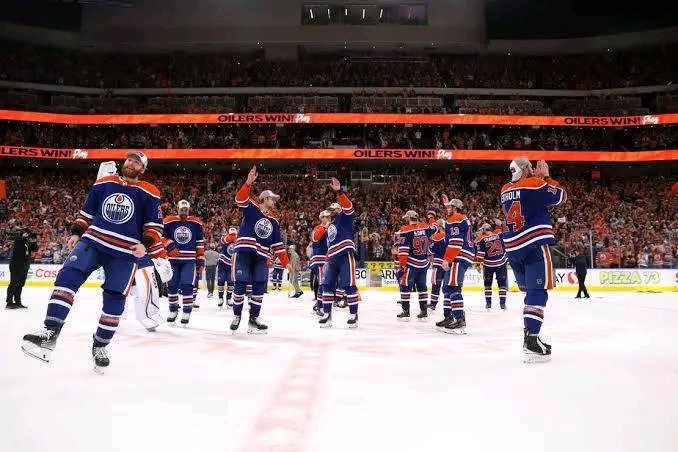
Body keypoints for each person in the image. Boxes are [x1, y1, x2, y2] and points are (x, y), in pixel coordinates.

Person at [21, 151, 163, 373]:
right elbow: (87, 212)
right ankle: (50, 333)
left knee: (115, 301)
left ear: (142, 169)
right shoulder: (104, 182)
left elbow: (155, 225)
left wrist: (145, 244)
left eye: (136, 162)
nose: (131, 163)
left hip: (125, 251)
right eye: (129, 159)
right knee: (67, 277)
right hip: (93, 240)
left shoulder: (150, 191)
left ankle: (100, 346)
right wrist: (76, 232)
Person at [500, 158, 567, 363]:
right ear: (525, 169)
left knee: (530, 293)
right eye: (530, 167)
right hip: (533, 244)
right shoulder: (535, 183)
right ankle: (531, 340)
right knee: (537, 293)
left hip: (513, 248)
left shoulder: (504, 189)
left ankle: (530, 335)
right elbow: (561, 196)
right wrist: (545, 176)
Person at [232, 165, 292, 333]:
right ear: (264, 199)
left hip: (261, 256)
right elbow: (240, 199)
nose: (274, 202)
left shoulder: (274, 221)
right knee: (240, 284)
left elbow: (277, 245)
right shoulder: (252, 207)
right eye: (272, 199)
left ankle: (254, 318)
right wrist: (248, 183)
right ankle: (237, 315)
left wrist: (286, 262)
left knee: (259, 286)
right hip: (244, 251)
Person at [319, 178, 360, 329]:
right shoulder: (330, 225)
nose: (330, 211)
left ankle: (353, 315)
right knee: (326, 285)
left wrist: (339, 191)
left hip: (345, 254)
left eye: (333, 208)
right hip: (332, 258)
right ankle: (327, 314)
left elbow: (349, 206)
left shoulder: (345, 217)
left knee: (349, 285)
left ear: (339, 209)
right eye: (329, 209)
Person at [437, 196, 475, 334]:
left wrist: (447, 259)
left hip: (459, 255)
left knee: (453, 287)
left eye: (450, 207)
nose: (447, 209)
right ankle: (448, 317)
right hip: (463, 255)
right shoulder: (460, 218)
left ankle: (459, 320)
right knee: (447, 288)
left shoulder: (456, 218)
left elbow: (456, 242)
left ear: (455, 208)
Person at [163, 200, 205, 326]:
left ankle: (186, 312)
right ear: (178, 209)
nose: (184, 211)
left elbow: (199, 242)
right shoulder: (169, 221)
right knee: (172, 285)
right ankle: (173, 310)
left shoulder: (196, 223)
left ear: (189, 210)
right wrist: (169, 245)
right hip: (172, 260)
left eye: (186, 209)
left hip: (189, 260)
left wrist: (200, 259)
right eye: (182, 209)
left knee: (187, 285)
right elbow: (160, 236)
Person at [395, 210, 430, 320]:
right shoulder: (425, 227)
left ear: (409, 218)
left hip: (411, 264)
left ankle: (406, 311)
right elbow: (435, 229)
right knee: (422, 287)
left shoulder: (405, 230)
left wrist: (401, 265)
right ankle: (424, 311)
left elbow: (403, 251)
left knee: (405, 286)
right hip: (424, 263)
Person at [475, 221, 508, 310]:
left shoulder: (481, 239)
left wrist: (478, 265)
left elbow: (480, 254)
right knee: (502, 285)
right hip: (501, 263)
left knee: (488, 285)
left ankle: (488, 304)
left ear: (484, 230)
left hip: (489, 265)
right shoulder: (499, 234)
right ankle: (503, 304)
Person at [5, 225, 37, 309]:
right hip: (16, 265)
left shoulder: (28, 242)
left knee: (20, 284)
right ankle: (9, 302)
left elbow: (35, 249)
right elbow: (14, 237)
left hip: (25, 265)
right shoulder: (18, 240)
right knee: (14, 283)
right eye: (27, 233)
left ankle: (18, 302)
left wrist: (34, 241)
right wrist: (22, 236)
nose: (28, 235)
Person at [310, 210, 330, 315]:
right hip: (319, 259)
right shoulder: (318, 228)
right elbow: (315, 238)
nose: (328, 218)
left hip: (327, 259)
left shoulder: (329, 229)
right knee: (322, 283)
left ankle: (319, 304)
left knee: (325, 283)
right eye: (326, 217)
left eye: (329, 217)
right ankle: (319, 305)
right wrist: (324, 227)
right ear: (321, 218)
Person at [217, 227, 237, 307]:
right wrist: (233, 238)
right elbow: (224, 240)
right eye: (231, 234)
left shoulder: (238, 241)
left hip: (232, 264)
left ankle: (229, 299)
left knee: (231, 283)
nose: (232, 236)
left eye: (234, 234)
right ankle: (220, 298)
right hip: (222, 262)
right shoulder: (225, 238)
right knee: (221, 281)